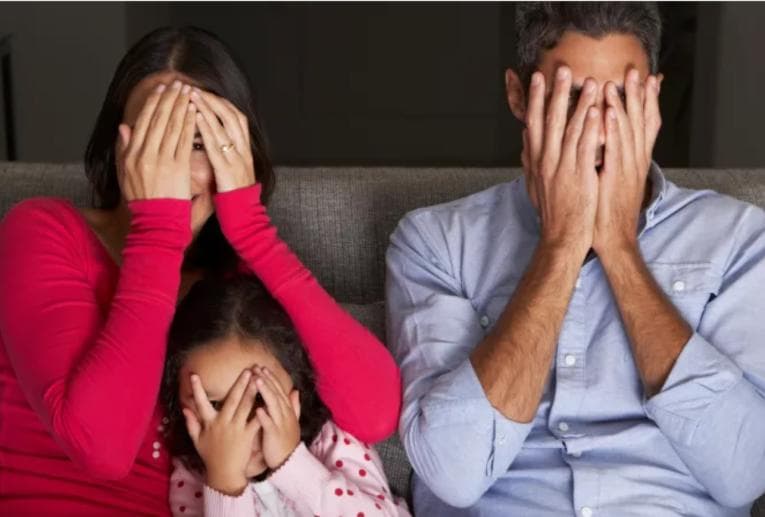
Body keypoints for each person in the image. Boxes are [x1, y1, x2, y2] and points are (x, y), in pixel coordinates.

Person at [0, 26, 400, 516]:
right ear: (116, 146)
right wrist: (158, 233)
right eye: (154, 136)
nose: (175, 168)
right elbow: (100, 450)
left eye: (197, 142)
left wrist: (253, 230)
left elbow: (376, 412)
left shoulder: (235, 288)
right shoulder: (42, 231)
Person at [386, 3, 765, 516]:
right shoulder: (435, 242)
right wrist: (560, 246)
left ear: (653, 97)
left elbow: (745, 472)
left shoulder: (741, 240)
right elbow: (453, 473)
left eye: (623, 99)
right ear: (519, 96)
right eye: (574, 99)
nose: (600, 130)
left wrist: (620, 250)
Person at [162, 275, 409, 516]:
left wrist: (291, 463)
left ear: (295, 379)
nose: (241, 429)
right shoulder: (192, 476)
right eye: (214, 405)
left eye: (259, 398)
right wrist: (224, 481)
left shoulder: (330, 442)